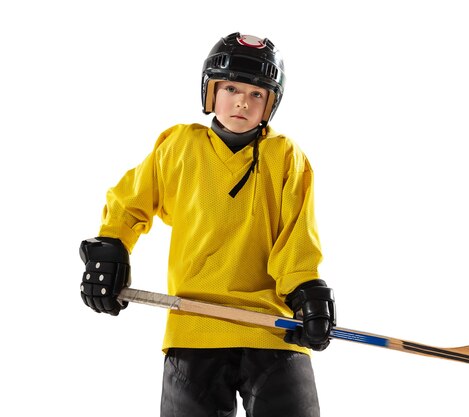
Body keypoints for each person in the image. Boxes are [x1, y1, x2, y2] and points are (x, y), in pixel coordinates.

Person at [79, 32, 336, 417]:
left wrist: (307, 291)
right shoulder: (179, 147)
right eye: (231, 87)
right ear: (210, 91)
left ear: (270, 104)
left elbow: (297, 236)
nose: (242, 101)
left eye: (256, 94)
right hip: (194, 326)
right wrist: (111, 248)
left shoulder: (286, 157)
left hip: (273, 328)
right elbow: (130, 202)